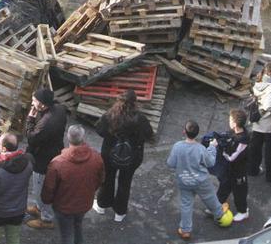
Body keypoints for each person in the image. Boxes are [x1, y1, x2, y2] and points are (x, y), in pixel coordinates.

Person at [93, 89, 154, 223]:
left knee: (107, 178)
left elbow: (99, 130)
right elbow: (149, 134)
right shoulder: (140, 119)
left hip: (110, 154)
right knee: (125, 183)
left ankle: (102, 205)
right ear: (135, 102)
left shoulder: (110, 115)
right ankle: (119, 212)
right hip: (132, 156)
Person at [167, 120, 230, 240]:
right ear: (197, 134)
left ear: (184, 132)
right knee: (210, 197)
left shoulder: (177, 146)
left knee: (186, 205)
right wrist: (212, 147)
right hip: (201, 181)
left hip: (184, 181)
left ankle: (185, 230)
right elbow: (210, 162)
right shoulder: (200, 149)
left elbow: (170, 163)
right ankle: (219, 214)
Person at [41, 124, 104, 244]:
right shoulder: (96, 158)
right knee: (78, 226)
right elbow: (100, 179)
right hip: (84, 204)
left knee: (66, 235)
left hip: (63, 207)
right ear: (83, 138)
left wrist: (47, 200)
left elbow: (49, 189)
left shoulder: (57, 163)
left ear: (68, 138)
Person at [24, 87, 67, 231]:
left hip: (43, 159)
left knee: (41, 189)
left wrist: (30, 119)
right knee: (47, 186)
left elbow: (31, 138)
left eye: (34, 100)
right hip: (55, 153)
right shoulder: (60, 109)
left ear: (42, 104)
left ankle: (46, 218)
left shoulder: (46, 123)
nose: (32, 103)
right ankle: (38, 207)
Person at [247, 62, 271, 183]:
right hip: (268, 124)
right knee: (270, 152)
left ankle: (253, 169)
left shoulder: (258, 83)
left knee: (255, 148)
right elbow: (269, 106)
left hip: (257, 123)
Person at [216, 109, 251, 222]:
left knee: (239, 192)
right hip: (230, 169)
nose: (229, 121)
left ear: (235, 123)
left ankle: (243, 212)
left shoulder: (243, 140)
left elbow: (232, 158)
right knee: (224, 187)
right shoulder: (233, 132)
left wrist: (222, 150)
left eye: (230, 120)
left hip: (239, 171)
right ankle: (216, 206)